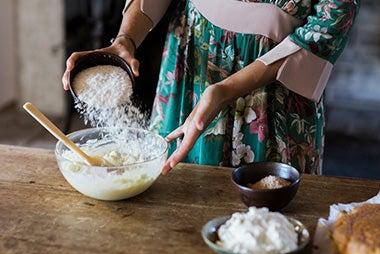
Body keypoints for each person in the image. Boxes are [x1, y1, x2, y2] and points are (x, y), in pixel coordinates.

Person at [62, 0, 360, 175]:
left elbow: (332, 19)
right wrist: (124, 40)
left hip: (274, 82)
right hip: (189, 64)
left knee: (266, 220)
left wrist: (226, 89)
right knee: (172, 200)